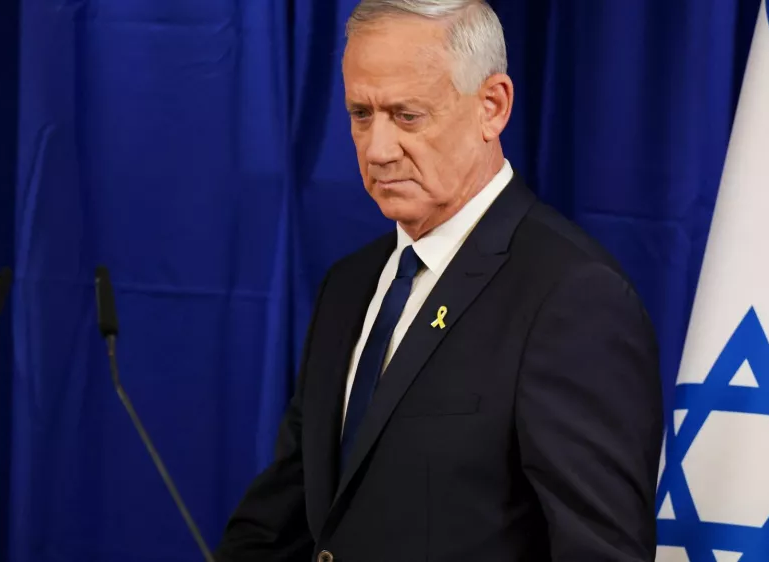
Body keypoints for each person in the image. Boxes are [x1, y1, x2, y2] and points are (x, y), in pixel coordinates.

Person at [215, 1, 664, 560]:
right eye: (361, 114)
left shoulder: (572, 298)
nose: (377, 149)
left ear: (492, 107)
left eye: (407, 116)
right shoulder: (348, 286)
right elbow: (283, 518)